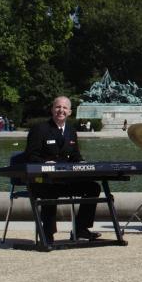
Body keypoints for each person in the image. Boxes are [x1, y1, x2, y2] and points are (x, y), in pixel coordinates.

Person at [24, 96, 100, 242]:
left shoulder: (71, 131)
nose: (61, 110)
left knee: (93, 188)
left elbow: (75, 156)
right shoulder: (39, 129)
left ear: (70, 112)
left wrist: (83, 163)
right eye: (58, 107)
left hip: (65, 181)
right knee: (50, 191)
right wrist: (46, 163)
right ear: (52, 109)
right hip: (42, 181)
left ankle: (80, 229)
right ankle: (47, 233)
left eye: (65, 108)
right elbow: (30, 156)